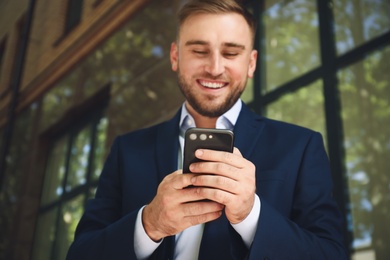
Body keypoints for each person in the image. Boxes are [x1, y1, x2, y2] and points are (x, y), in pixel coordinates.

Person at [67, 0, 348, 259]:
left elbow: (330, 254)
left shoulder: (300, 146)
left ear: (250, 64)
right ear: (175, 56)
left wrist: (252, 215)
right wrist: (148, 224)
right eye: (199, 51)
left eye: (231, 52)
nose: (214, 68)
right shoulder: (127, 151)